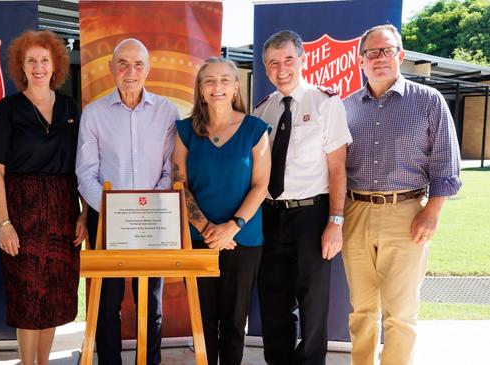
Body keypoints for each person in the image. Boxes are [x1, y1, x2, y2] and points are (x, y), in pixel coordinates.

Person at [342, 24, 461, 365]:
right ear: (360, 59)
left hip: (407, 213)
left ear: (401, 55)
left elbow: (446, 163)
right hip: (356, 212)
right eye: (372, 52)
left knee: (401, 313)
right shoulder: (348, 107)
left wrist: (432, 211)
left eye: (387, 50)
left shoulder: (428, 101)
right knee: (361, 311)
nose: (379, 58)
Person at [0, 30, 86, 365]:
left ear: (56, 63)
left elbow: (82, 167)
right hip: (22, 213)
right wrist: (4, 223)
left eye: (45, 59)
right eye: (32, 60)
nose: (39, 67)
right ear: (22, 66)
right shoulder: (8, 109)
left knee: (55, 297)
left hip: (63, 212)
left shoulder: (71, 107)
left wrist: (84, 215)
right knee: (28, 298)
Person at [75, 38, 179, 365]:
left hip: (153, 221)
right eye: (123, 63)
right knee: (107, 305)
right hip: (106, 220)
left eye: (137, 64)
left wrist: (147, 207)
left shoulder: (168, 111)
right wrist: (115, 211)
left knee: (151, 305)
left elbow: (170, 169)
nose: (130, 71)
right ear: (111, 69)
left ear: (148, 69)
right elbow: (85, 172)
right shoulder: (93, 114)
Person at [253, 30, 352, 365]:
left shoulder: (325, 102)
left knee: (313, 303)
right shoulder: (262, 111)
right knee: (273, 300)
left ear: (302, 60)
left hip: (312, 216)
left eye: (288, 59)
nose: (281, 68)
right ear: (265, 68)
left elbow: (338, 168)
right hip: (269, 216)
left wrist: (335, 223)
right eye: (273, 62)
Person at [171, 57, 271, 365]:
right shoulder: (185, 131)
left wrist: (232, 226)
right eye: (209, 81)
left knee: (233, 322)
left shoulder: (254, 128)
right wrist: (207, 230)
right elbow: (179, 184)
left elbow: (261, 185)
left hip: (243, 239)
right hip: (198, 238)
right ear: (200, 90)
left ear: (235, 87)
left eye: (225, 80)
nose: (217, 87)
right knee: (203, 322)